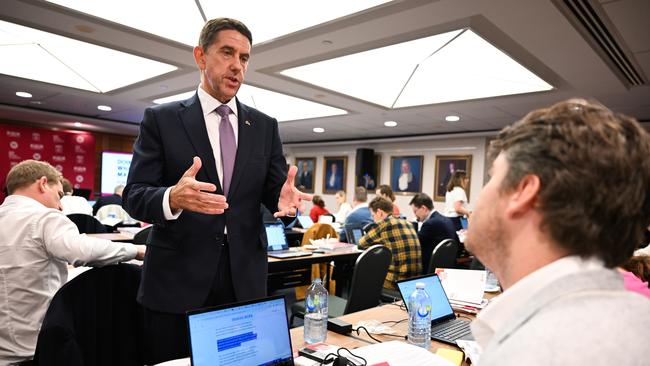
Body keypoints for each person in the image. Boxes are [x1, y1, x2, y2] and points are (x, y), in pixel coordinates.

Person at [122, 18, 310, 364]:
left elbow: (274, 193)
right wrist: (171, 198)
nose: (237, 65)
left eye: (244, 57)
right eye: (227, 52)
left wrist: (284, 204)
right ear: (200, 57)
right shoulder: (162, 119)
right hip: (177, 279)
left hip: (244, 278)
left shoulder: (265, 127)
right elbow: (134, 194)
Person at [464, 99, 650, 365]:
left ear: (523, 191)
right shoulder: (634, 316)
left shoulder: (532, 352)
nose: (479, 197)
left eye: (492, 177)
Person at [0, 160, 145, 364]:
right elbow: (84, 251)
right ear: (43, 184)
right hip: (36, 349)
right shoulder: (44, 217)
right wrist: (136, 250)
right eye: (59, 195)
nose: (60, 206)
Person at [358, 197, 421, 290]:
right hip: (415, 281)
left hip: (396, 283)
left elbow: (361, 243)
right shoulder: (408, 223)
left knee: (363, 275)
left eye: (373, 215)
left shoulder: (384, 224)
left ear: (379, 212)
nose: (373, 219)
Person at [409, 193, 457, 271]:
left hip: (430, 267)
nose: (415, 215)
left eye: (415, 212)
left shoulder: (430, 224)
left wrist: (414, 223)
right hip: (448, 266)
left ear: (423, 208)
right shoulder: (448, 220)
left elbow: (416, 244)